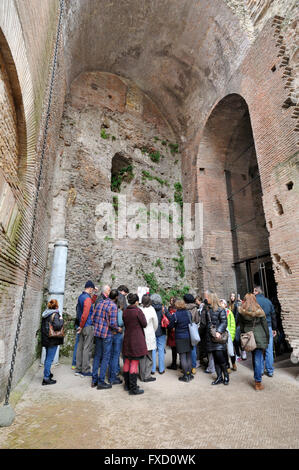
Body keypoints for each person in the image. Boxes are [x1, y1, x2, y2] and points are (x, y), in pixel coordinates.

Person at [91, 289, 122, 389]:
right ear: (116, 297)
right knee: (106, 357)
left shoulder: (100, 303)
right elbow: (113, 323)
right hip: (106, 335)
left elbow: (93, 318)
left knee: (97, 356)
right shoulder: (113, 306)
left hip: (97, 333)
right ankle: (101, 381)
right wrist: (118, 329)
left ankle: (94, 379)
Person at [239, 293, 269, 390]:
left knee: (254, 356)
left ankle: (258, 375)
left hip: (249, 337)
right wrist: (267, 337)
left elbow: (242, 326)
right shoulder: (259, 311)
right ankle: (258, 382)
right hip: (259, 336)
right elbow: (265, 325)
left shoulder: (242, 312)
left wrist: (245, 334)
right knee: (258, 356)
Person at [200, 290, 229, 385]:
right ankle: (219, 377)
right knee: (215, 359)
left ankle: (226, 376)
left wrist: (219, 331)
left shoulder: (221, 309)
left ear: (211, 298)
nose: (205, 299)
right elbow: (204, 322)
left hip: (218, 338)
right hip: (209, 337)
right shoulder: (207, 308)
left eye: (206, 297)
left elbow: (224, 322)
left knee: (220, 358)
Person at [122, 293, 148, 395]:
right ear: (136, 302)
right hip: (136, 339)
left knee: (127, 361)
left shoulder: (125, 311)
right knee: (134, 362)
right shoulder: (138, 311)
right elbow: (144, 324)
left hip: (127, 338)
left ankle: (127, 384)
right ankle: (133, 388)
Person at [75, 281, 98, 377]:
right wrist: (81, 326)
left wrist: (95, 294)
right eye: (92, 290)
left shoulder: (81, 296)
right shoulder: (87, 299)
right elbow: (85, 313)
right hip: (87, 325)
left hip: (82, 325)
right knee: (87, 348)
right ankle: (85, 370)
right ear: (90, 288)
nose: (93, 291)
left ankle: (78, 368)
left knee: (80, 347)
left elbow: (90, 302)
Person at [253, 286, 277, 377]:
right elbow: (273, 315)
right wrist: (274, 328)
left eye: (254, 291)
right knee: (269, 349)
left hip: (258, 328)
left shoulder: (254, 302)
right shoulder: (268, 301)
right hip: (268, 327)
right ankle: (270, 370)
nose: (253, 293)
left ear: (256, 292)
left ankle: (260, 371)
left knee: (259, 349)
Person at [167, 299, 193, 382]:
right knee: (188, 356)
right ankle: (189, 374)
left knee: (182, 357)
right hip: (188, 336)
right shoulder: (188, 313)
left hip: (179, 337)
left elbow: (170, 326)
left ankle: (185, 376)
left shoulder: (175, 315)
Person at [41, 299, 64, 385]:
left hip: (47, 339)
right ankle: (46, 378)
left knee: (48, 357)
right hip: (52, 340)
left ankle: (48, 373)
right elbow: (57, 326)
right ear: (56, 306)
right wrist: (61, 320)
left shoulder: (46, 313)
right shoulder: (55, 314)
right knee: (49, 359)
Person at [139, 294, 158, 382]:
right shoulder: (151, 309)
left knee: (142, 357)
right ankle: (147, 375)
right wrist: (153, 330)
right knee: (149, 356)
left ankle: (142, 375)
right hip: (149, 333)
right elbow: (155, 323)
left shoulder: (139, 309)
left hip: (141, 334)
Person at [108, 292, 125, 385]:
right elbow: (119, 323)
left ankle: (110, 374)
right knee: (115, 356)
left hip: (110, 334)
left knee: (110, 356)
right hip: (117, 334)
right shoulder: (119, 311)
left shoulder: (110, 307)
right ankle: (113, 377)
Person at [150, 294, 169, 375]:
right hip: (162, 331)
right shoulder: (163, 308)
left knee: (153, 350)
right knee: (161, 350)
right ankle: (161, 369)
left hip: (152, 331)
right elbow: (169, 318)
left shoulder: (150, 308)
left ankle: (153, 369)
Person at [183, 293, 200, 375]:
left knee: (185, 349)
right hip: (193, 329)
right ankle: (193, 367)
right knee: (193, 348)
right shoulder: (195, 308)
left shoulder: (183, 308)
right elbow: (197, 320)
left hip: (185, 330)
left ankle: (186, 367)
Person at [220, 299, 237, 372]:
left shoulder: (229, 312)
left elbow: (232, 324)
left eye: (222, 303)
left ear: (225, 305)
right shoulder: (219, 312)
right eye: (220, 303)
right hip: (223, 334)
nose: (221, 305)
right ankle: (227, 366)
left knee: (231, 351)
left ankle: (233, 363)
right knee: (224, 351)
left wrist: (232, 336)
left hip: (229, 334)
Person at [228, 292, 246, 361]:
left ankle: (242, 352)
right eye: (231, 296)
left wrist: (234, 324)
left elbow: (236, 316)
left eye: (233, 296)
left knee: (237, 339)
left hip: (237, 324)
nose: (232, 297)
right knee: (235, 341)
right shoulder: (229, 305)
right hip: (232, 325)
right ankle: (238, 355)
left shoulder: (236, 304)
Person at [166, 297, 178, 370]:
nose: (170, 302)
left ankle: (175, 364)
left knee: (176, 348)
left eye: (172, 301)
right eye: (170, 300)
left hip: (175, 330)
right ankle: (174, 363)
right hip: (172, 330)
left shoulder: (175, 310)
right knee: (173, 349)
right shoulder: (169, 308)